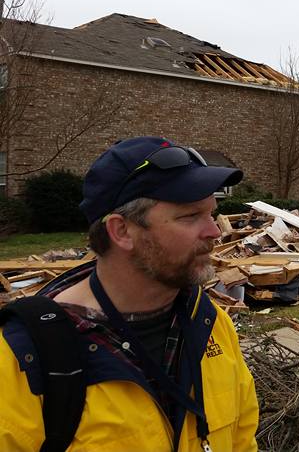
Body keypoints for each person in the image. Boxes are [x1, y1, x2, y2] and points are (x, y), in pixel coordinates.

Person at [0, 136, 258, 451]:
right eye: (190, 216)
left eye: (211, 213)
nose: (215, 231)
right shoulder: (23, 357)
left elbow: (242, 441)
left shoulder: (210, 323)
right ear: (122, 231)